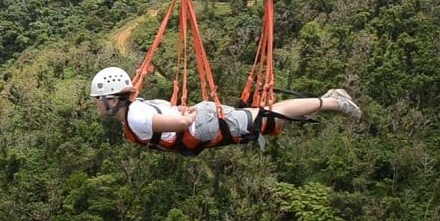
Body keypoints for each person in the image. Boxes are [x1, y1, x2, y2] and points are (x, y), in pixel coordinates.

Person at [89, 67, 361, 154]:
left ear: (112, 101)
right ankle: (330, 102)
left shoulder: (135, 117)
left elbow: (180, 125)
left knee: (268, 118)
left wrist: (187, 116)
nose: (96, 106)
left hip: (202, 124)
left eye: (98, 101)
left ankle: (335, 102)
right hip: (203, 121)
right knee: (267, 119)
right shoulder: (136, 108)